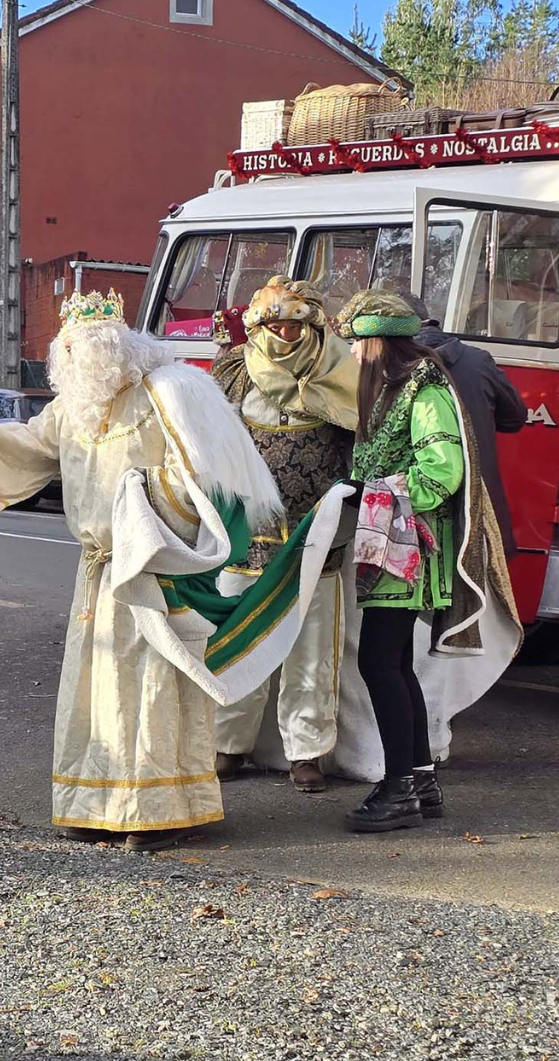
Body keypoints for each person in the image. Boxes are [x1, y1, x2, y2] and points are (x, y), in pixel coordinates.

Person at [0, 292, 287, 851]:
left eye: (98, 345)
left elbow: (204, 478)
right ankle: (94, 804)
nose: (86, 356)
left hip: (158, 570)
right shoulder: (71, 409)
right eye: (74, 347)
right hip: (99, 573)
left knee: (152, 691)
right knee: (97, 693)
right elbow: (26, 445)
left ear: (124, 346)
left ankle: (164, 811)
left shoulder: (167, 394)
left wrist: (149, 507)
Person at [336, 290, 517, 833]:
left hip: (410, 545)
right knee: (393, 665)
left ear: (377, 344)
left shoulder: (422, 391)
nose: (352, 356)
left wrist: (371, 493)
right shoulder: (399, 387)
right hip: (397, 540)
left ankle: (398, 789)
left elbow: (442, 473)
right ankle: (419, 781)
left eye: (357, 344)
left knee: (378, 663)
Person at [207, 278, 359, 794]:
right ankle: (228, 744)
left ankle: (307, 753)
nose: (285, 332)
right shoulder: (232, 371)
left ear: (312, 325)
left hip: (316, 537)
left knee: (311, 649)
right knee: (237, 637)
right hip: (245, 536)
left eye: (295, 323)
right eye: (275, 324)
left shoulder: (342, 373)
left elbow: (364, 445)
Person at [405, 292, 526, 552]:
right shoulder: (478, 359)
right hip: (481, 513)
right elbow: (515, 417)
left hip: (419, 520)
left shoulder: (390, 367)